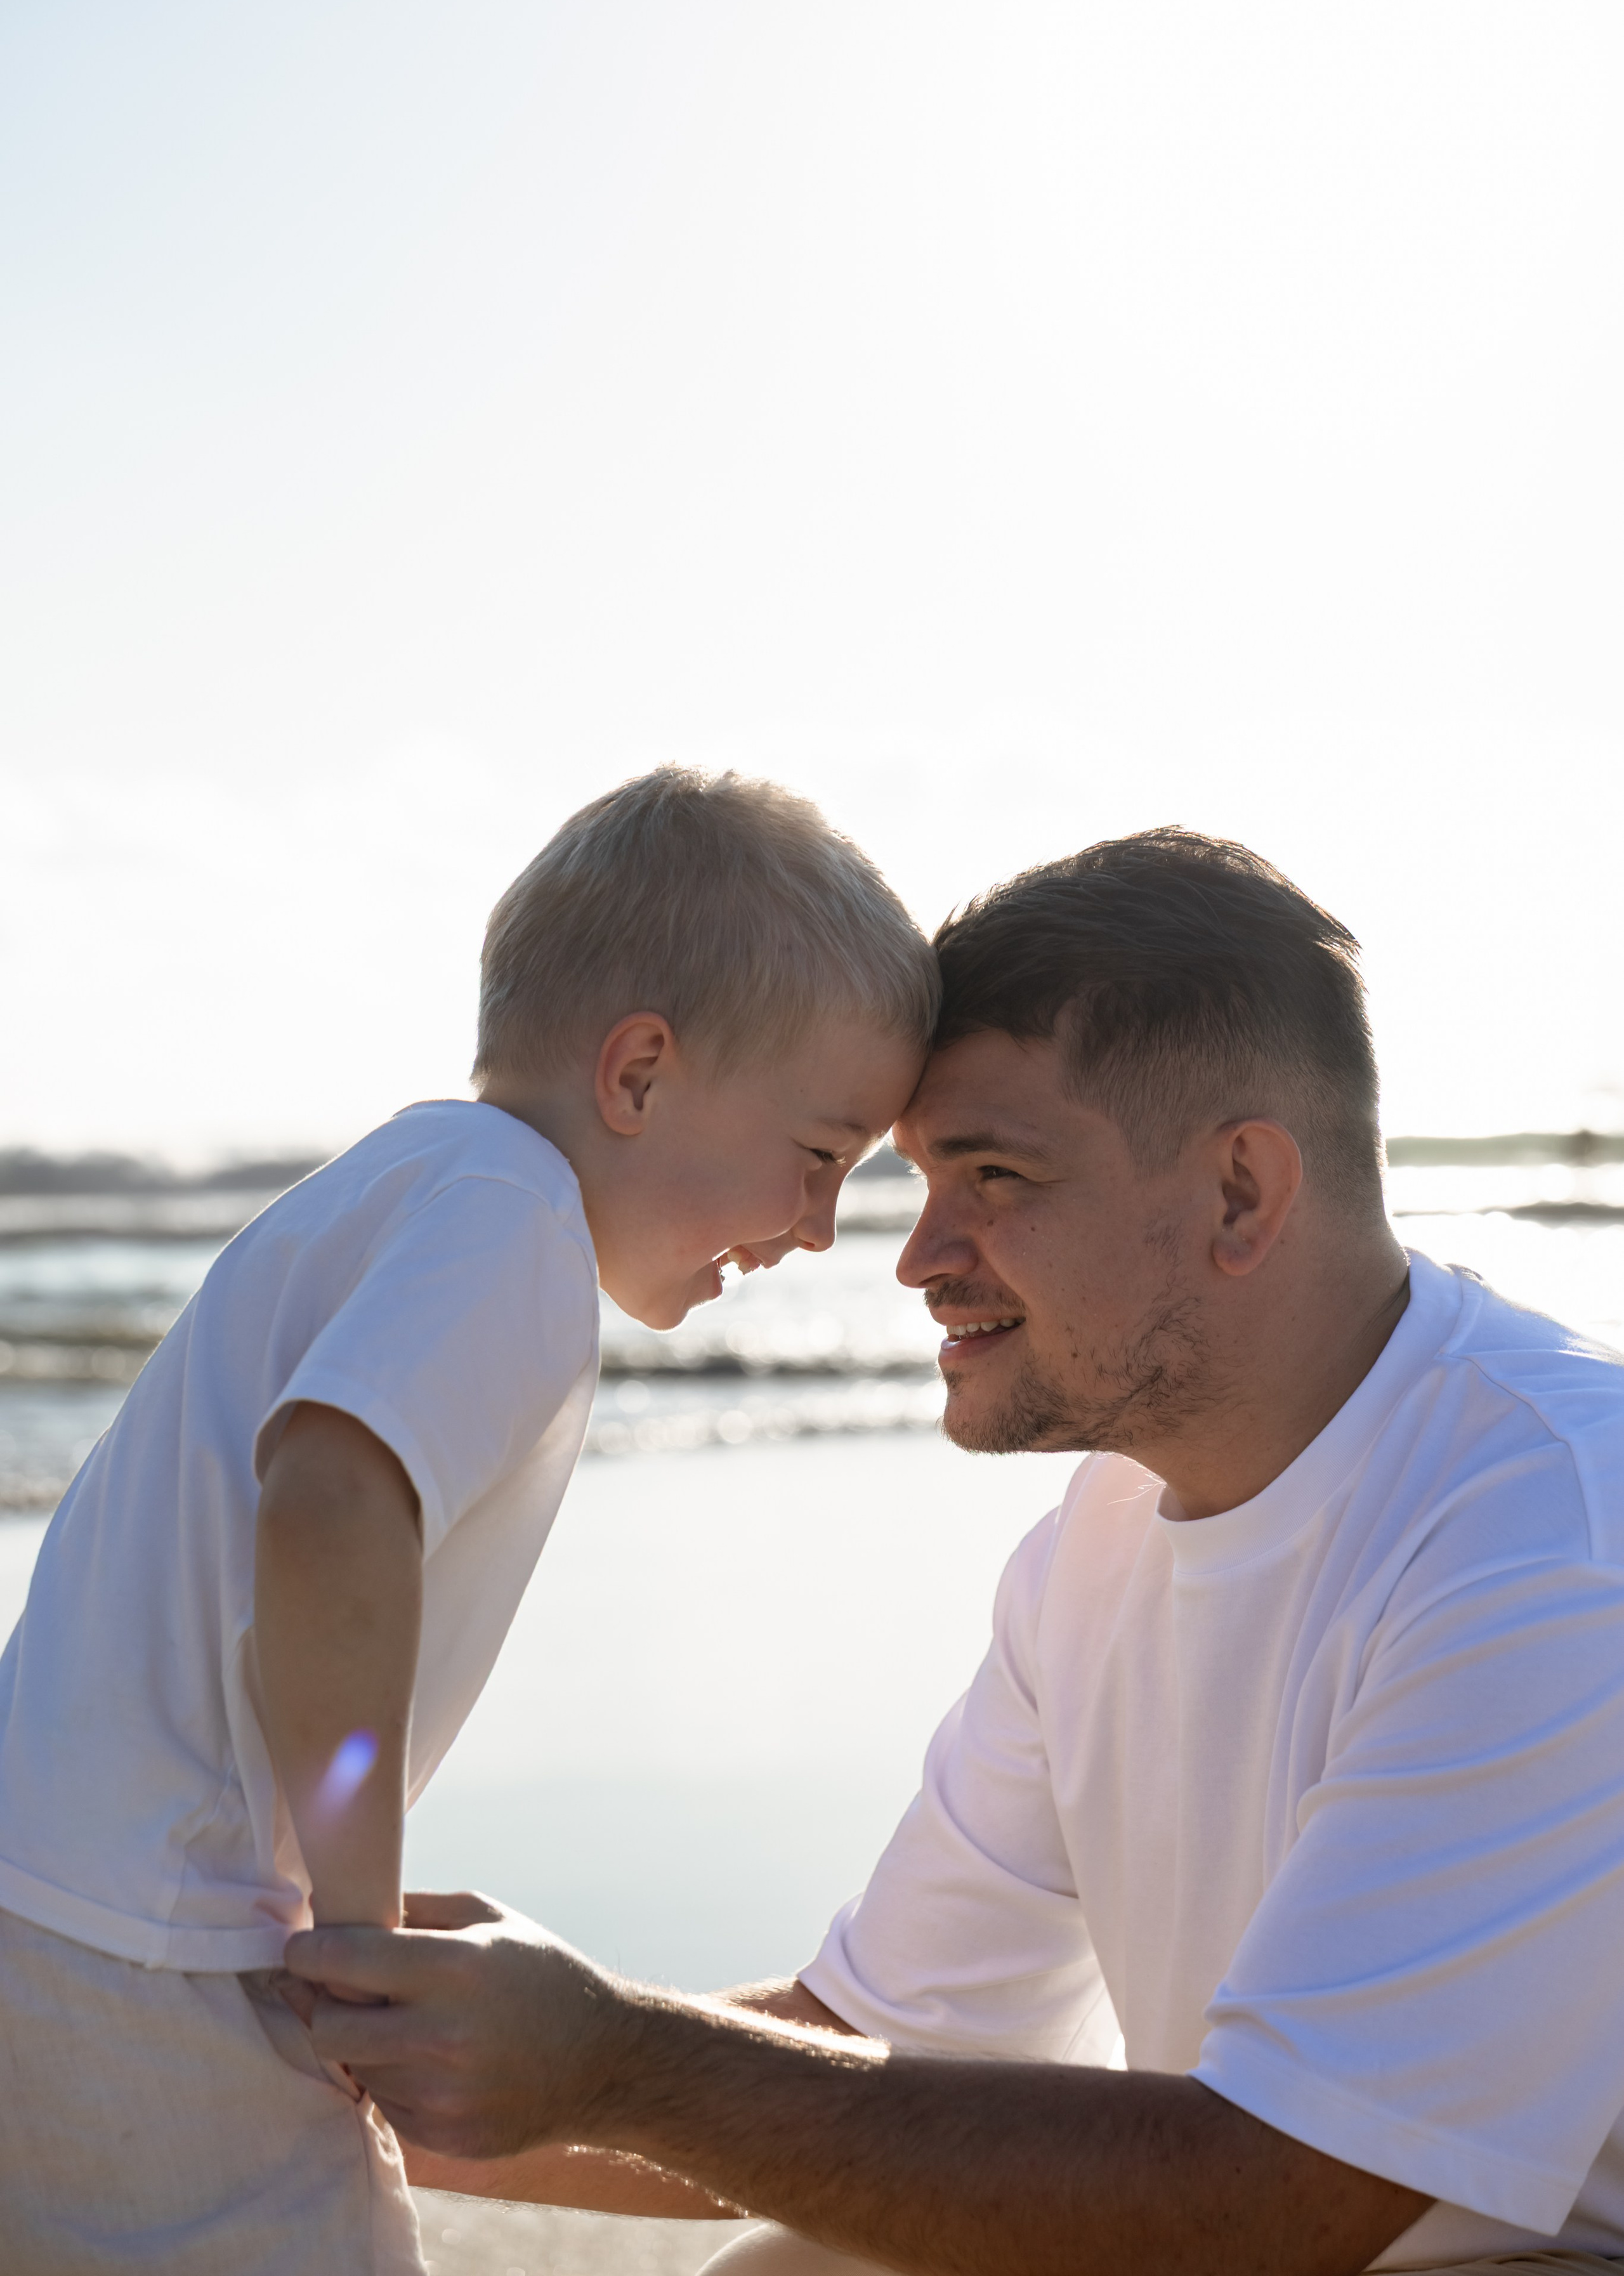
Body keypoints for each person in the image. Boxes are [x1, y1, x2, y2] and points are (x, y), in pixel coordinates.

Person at [294, 829, 1624, 2276]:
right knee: (802, 2264)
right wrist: (367, 2061)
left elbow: (1276, 2200)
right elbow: (869, 2058)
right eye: (920, 1180)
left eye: (994, 1175)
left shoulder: (1546, 1535)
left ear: (1241, 1193)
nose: (919, 1255)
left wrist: (612, 2058)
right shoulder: (1093, 1553)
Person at [0, 766, 933, 2276]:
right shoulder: (512, 1223)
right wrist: (356, 1921)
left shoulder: (417, 1179)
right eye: (820, 1157)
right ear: (636, 1074)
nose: (823, 1229)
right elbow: (329, 1503)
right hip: (151, 1950)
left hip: (56, 1901)